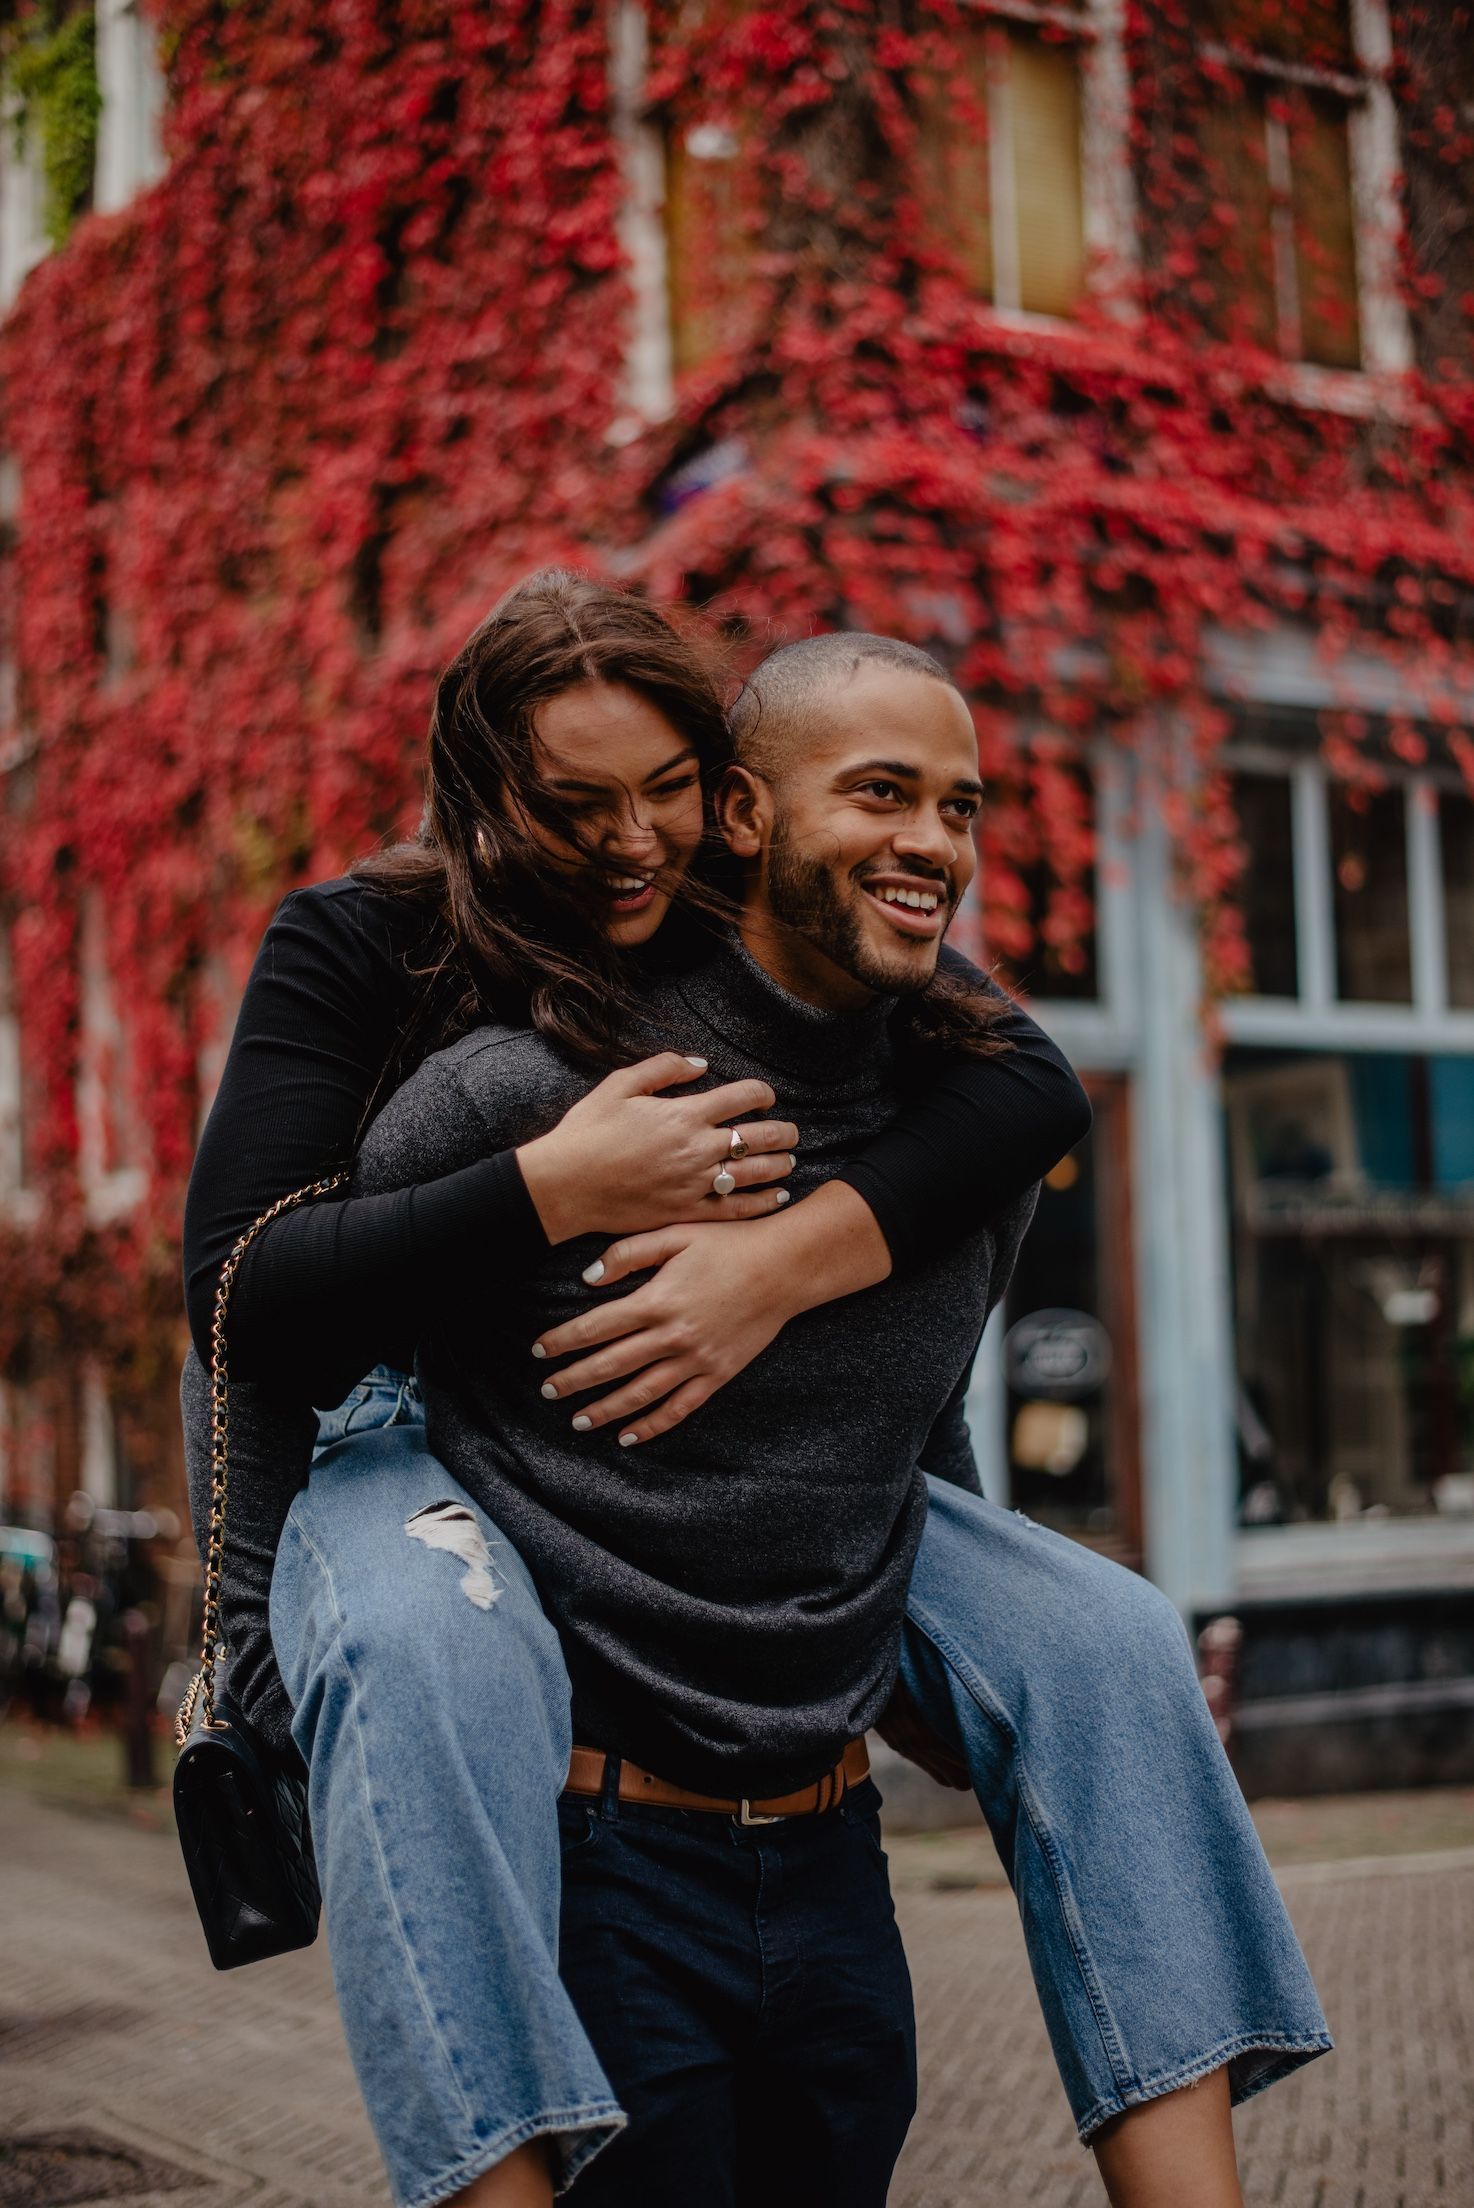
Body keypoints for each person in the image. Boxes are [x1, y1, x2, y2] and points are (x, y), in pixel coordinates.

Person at [181, 576, 1329, 2208]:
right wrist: (555, 1191)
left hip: (800, 1763)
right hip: (382, 1399)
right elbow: (236, 1305)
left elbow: (1026, 1099)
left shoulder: (786, 939)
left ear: (719, 794)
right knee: (421, 1641)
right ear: (486, 803)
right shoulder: (379, 951)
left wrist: (773, 1270)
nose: (631, 844)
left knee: (1111, 1640)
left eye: (664, 792)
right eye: (576, 807)